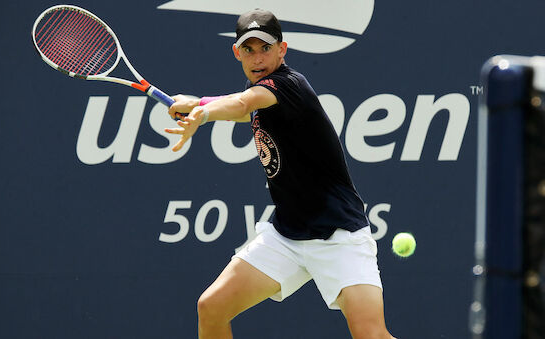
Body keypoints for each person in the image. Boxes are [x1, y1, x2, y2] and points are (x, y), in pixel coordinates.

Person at [165, 9, 396, 339]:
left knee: (371, 335)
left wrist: (202, 113)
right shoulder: (260, 88)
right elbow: (245, 104)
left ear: (282, 49)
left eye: (265, 48)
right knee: (211, 307)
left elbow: (244, 105)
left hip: (338, 234)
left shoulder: (289, 84)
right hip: (287, 235)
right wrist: (200, 102)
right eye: (248, 49)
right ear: (236, 52)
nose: (257, 58)